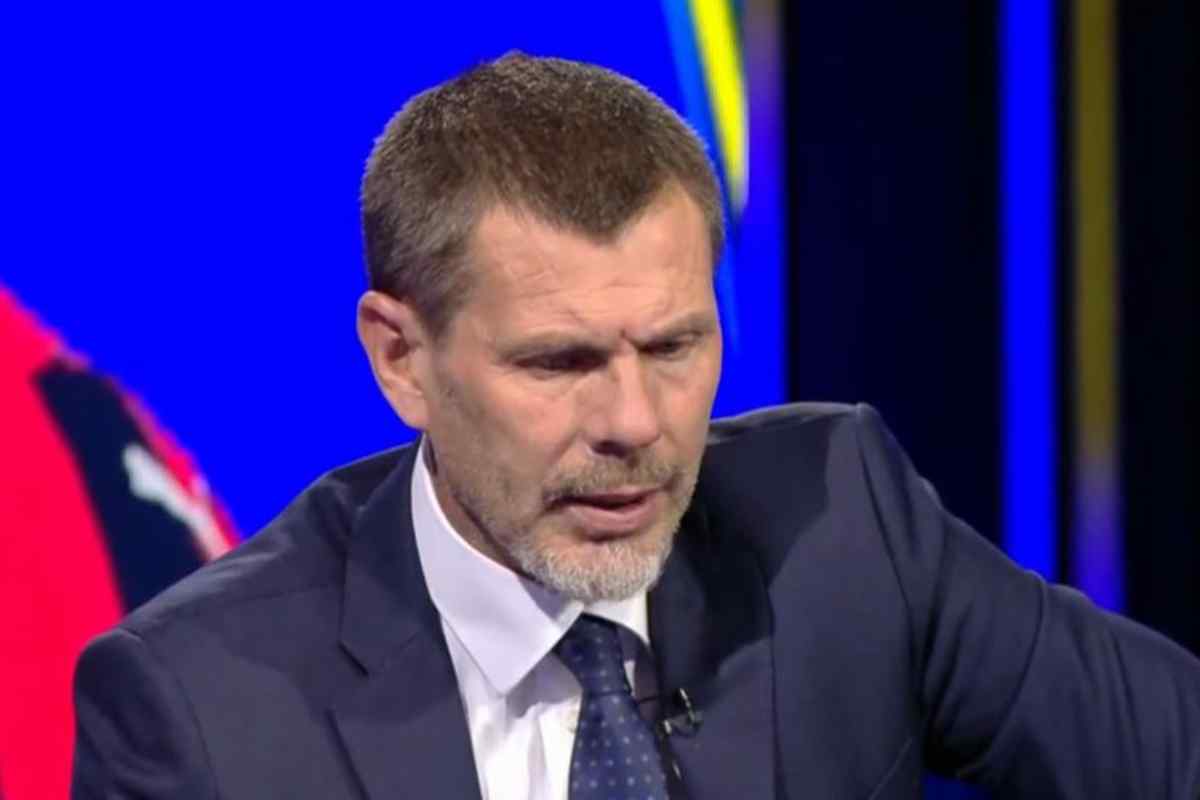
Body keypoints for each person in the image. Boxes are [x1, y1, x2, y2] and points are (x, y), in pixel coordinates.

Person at [71, 52, 1200, 799]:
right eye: (559, 362)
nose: (635, 423)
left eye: (673, 347)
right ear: (400, 357)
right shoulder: (201, 706)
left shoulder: (844, 524)